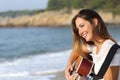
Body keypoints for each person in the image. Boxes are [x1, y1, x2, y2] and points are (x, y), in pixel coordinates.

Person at [65, 9, 120, 80]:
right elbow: (77, 49)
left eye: (82, 26)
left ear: (94, 22)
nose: (80, 32)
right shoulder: (94, 47)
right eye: (78, 29)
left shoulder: (111, 50)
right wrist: (69, 64)